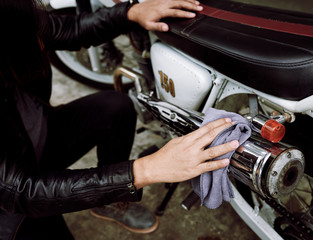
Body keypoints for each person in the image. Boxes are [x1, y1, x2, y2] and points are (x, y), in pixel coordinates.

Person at [0, 0, 239, 239]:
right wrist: (145, 170)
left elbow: (68, 28)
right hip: (13, 196)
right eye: (31, 41)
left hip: (34, 139)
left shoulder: (15, 26)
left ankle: (107, 202)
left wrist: (129, 12)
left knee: (115, 107)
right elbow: (23, 192)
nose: (43, 44)